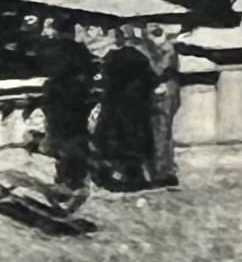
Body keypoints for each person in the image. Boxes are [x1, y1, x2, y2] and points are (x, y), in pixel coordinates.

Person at [94, 39, 166, 193]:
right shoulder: (137, 63)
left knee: (118, 146)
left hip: (119, 114)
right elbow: (152, 82)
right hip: (134, 115)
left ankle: (115, 176)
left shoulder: (115, 63)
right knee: (133, 146)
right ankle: (134, 177)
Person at [37, 34, 98, 197]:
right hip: (73, 123)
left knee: (66, 153)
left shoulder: (57, 83)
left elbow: (48, 103)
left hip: (64, 122)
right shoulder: (83, 81)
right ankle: (75, 183)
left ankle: (68, 184)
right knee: (74, 153)